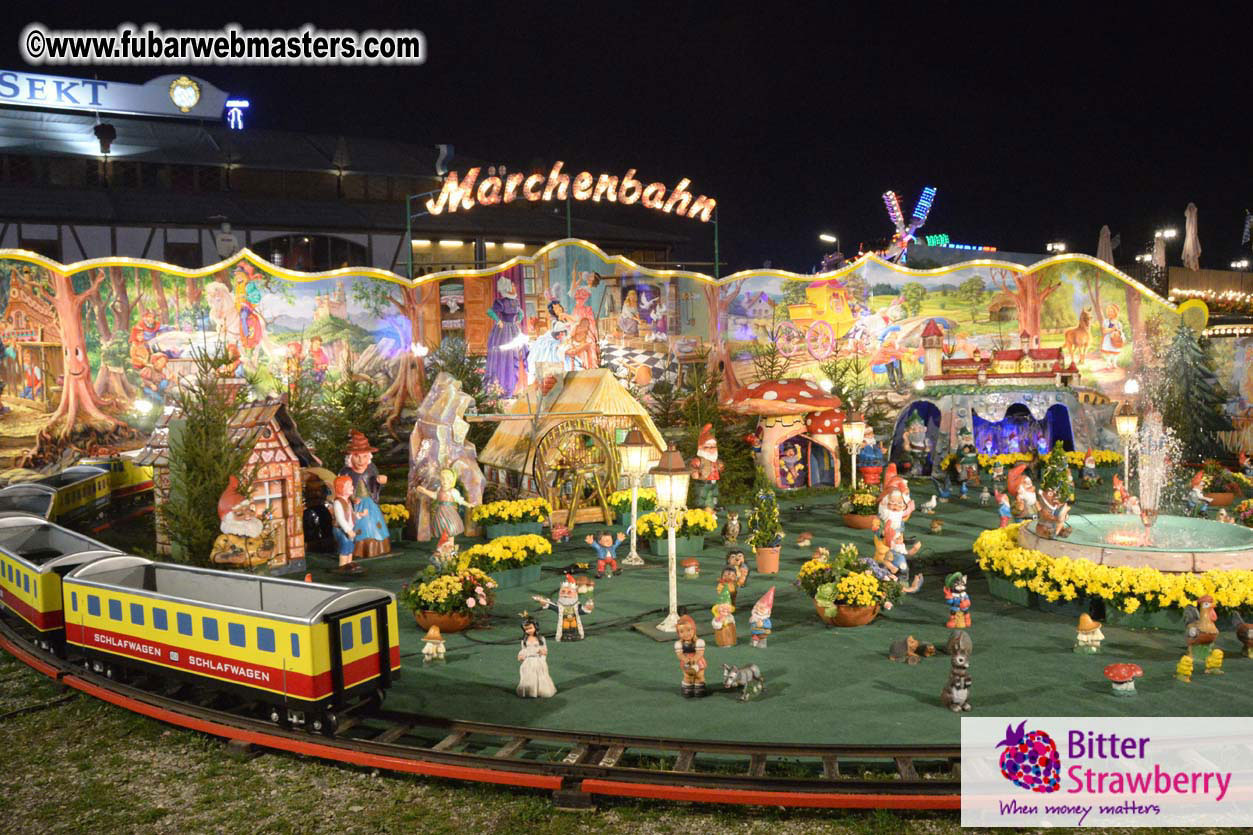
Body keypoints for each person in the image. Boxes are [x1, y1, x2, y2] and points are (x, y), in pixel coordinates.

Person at [339, 430, 391, 557]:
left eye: (364, 456)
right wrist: (351, 498)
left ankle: (378, 546)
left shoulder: (371, 468)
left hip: (370, 503)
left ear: (369, 457)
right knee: (360, 525)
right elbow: (340, 490)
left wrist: (380, 481)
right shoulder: (346, 472)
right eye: (357, 456)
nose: (361, 460)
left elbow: (375, 485)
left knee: (374, 525)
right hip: (354, 506)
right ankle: (356, 548)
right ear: (350, 457)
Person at [486, 276, 527, 397]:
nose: (515, 288)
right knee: (503, 357)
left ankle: (512, 387)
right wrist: (498, 320)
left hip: (513, 329)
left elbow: (520, 312)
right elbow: (490, 311)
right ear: (507, 288)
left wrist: (519, 319)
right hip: (503, 332)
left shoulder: (515, 301)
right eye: (512, 286)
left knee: (514, 356)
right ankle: (501, 387)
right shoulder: (502, 302)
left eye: (514, 286)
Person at [414, 467, 470, 539]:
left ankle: (450, 546)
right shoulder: (439, 489)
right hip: (440, 512)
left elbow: (460, 500)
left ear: (451, 481)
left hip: (450, 513)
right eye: (442, 479)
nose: (444, 481)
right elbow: (435, 495)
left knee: (451, 527)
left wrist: (468, 504)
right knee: (442, 527)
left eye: (447, 479)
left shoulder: (453, 491)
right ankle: (444, 546)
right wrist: (424, 491)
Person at [528, 300, 575, 377]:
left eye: (559, 307)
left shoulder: (565, 317)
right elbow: (560, 335)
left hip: (566, 339)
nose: (559, 309)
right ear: (553, 312)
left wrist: (566, 316)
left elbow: (575, 322)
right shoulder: (556, 322)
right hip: (556, 340)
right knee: (553, 356)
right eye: (556, 309)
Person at [330, 474, 365, 575]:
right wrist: (348, 530)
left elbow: (351, 515)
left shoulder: (348, 501)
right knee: (345, 548)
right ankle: (342, 566)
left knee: (350, 548)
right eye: (349, 486)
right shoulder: (338, 503)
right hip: (341, 530)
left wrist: (359, 515)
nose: (352, 487)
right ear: (341, 488)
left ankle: (349, 565)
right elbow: (340, 519)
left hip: (350, 529)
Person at [516, 616, 557, 698]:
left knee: (539, 675)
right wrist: (521, 655)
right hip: (528, 660)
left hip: (538, 659)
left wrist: (542, 653)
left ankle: (541, 690)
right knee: (529, 675)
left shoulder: (541, 639)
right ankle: (529, 691)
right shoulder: (524, 640)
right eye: (526, 629)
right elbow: (523, 650)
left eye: (530, 628)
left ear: (535, 627)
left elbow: (544, 649)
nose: (528, 631)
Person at [674, 614, 707, 698]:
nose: (686, 634)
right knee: (688, 676)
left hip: (698, 661)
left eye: (688, 630)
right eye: (681, 631)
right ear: (678, 633)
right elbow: (679, 654)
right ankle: (687, 688)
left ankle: (699, 688)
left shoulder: (699, 642)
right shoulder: (679, 644)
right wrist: (685, 659)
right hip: (686, 662)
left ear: (694, 630)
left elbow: (700, 652)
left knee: (699, 675)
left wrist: (695, 659)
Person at [1099, 303, 1124, 371]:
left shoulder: (1118, 323)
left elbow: (1120, 331)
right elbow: (1104, 331)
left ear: (1115, 313)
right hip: (1108, 339)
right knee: (1108, 352)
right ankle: (1108, 364)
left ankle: (1114, 363)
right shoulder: (1106, 321)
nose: (1110, 313)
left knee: (1116, 351)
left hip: (1116, 339)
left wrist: (1118, 331)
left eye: (1112, 311)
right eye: (1109, 312)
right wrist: (1112, 329)